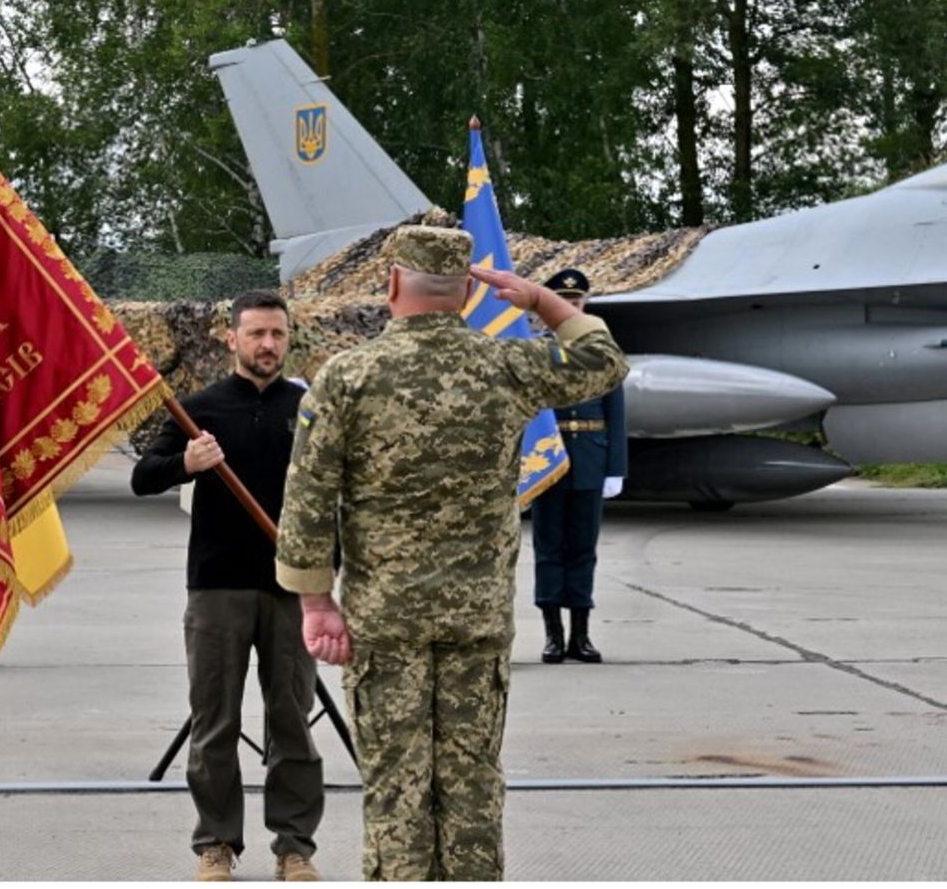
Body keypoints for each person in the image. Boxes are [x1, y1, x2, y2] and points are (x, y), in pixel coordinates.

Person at [274, 227, 628, 881]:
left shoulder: (346, 377)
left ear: (390, 285)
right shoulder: (505, 365)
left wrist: (316, 602)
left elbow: (308, 495)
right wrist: (542, 303)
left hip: (385, 619)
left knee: (396, 784)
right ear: (468, 291)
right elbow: (603, 362)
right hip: (477, 617)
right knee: (471, 780)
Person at [132, 290, 325, 883]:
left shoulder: (311, 409)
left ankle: (294, 846)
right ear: (232, 339)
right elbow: (143, 477)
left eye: (277, 334)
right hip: (217, 588)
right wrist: (185, 463)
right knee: (214, 721)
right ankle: (215, 843)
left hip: (291, 587)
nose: (268, 344)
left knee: (292, 721)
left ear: (289, 338)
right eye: (256, 334)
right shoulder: (200, 409)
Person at [531, 268, 628, 665]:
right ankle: (553, 635)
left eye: (576, 302)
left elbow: (616, 412)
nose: (570, 307)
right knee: (548, 548)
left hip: (590, 456)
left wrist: (614, 468)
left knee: (583, 550)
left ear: (584, 304)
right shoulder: (537, 351)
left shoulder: (602, 350)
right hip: (547, 459)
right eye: (563, 301)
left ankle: (581, 636)